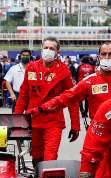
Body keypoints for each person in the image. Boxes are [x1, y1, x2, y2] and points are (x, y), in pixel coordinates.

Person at [35, 42, 111, 178]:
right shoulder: (89, 81)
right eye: (103, 54)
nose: (106, 58)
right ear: (98, 57)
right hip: (99, 136)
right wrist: (43, 108)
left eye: (110, 54)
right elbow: (67, 97)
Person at [15, 37, 80, 165]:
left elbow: (72, 98)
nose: (48, 50)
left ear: (57, 52)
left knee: (50, 159)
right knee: (37, 157)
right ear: (41, 49)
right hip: (34, 120)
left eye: (52, 48)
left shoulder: (63, 71)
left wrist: (75, 126)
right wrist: (16, 120)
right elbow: (23, 95)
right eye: (46, 48)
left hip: (53, 122)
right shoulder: (32, 68)